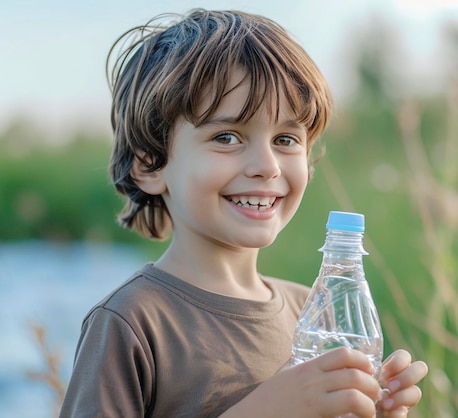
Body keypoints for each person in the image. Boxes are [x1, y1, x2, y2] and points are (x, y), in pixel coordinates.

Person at [59, 9, 428, 418]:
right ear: (150, 165)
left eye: (286, 139)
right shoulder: (132, 322)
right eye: (228, 136)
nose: (267, 165)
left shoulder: (310, 312)